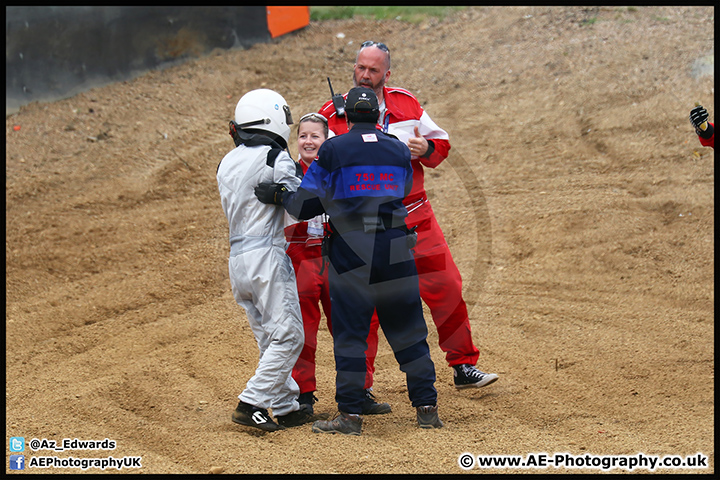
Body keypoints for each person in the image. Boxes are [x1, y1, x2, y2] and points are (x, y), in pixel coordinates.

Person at [255, 87, 443, 435]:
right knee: (408, 328)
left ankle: (351, 415)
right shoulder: (398, 149)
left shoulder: (333, 149)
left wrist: (280, 194)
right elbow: (401, 190)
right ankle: (427, 407)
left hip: (352, 246)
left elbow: (306, 205)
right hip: (396, 244)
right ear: (376, 115)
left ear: (348, 117)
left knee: (352, 332)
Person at [318, 41, 498, 396]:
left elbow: (441, 145)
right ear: (353, 69)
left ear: (387, 74)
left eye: (373, 70)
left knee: (446, 286)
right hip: (360, 228)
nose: (365, 76)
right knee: (362, 309)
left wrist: (426, 149)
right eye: (360, 68)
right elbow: (312, 160)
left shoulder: (408, 104)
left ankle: (463, 365)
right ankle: (363, 388)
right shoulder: (331, 113)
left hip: (415, 216)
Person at [216, 88, 316, 432]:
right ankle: (251, 403)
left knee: (268, 337)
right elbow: (301, 205)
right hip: (267, 255)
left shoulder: (225, 162)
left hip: (237, 258)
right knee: (289, 337)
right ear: (272, 119)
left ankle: (286, 405)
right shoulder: (276, 157)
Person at [286, 112, 391, 416]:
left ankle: (359, 390)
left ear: (327, 139)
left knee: (357, 324)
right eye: (303, 135)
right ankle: (302, 395)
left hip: (338, 255)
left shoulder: (342, 170)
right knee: (302, 330)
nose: (308, 141)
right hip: (299, 255)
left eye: (315, 135)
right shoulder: (287, 170)